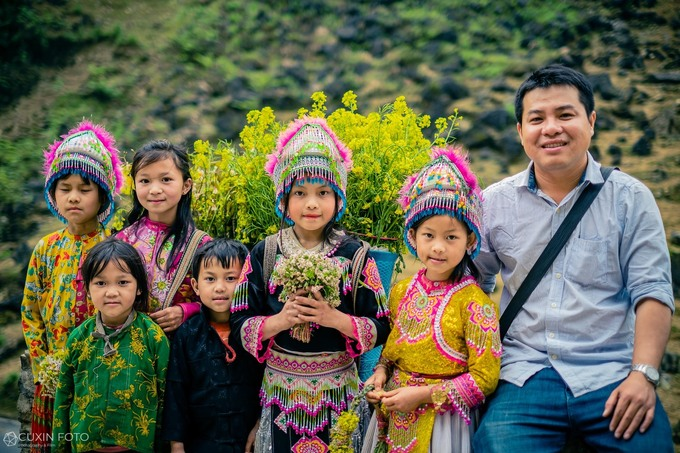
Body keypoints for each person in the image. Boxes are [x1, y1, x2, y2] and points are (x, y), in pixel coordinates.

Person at [473, 64, 675, 452]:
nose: (551, 128)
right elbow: (472, 285)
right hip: (524, 374)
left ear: (591, 121)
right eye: (537, 119)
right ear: (520, 132)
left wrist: (643, 375)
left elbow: (652, 291)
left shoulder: (631, 198)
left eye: (565, 114)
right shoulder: (494, 202)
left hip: (611, 372)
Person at [230, 117, 391, 452]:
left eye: (323, 192)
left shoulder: (356, 256)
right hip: (280, 396)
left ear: (338, 198)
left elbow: (381, 325)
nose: (312, 204)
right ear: (284, 200)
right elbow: (238, 322)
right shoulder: (265, 252)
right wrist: (280, 321)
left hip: (339, 395)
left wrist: (334, 319)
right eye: (299, 193)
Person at [361, 145, 501, 453]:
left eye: (451, 237)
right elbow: (391, 351)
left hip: (444, 426)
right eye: (428, 235)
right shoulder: (401, 290)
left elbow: (484, 380)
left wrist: (424, 395)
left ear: (470, 241)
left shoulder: (476, 305)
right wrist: (380, 374)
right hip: (395, 414)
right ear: (412, 237)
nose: (438, 247)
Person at [21, 120, 122, 451]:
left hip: (101, 376)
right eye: (65, 188)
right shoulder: (46, 249)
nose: (74, 197)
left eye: (85, 188)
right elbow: (30, 311)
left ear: (102, 194)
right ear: (53, 194)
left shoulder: (115, 249)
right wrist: (44, 368)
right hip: (53, 378)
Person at [52, 239, 170, 452]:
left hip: (137, 447)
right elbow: (63, 398)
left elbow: (165, 398)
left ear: (140, 288)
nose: (112, 292)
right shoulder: (79, 339)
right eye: (101, 283)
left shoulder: (153, 338)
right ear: (88, 289)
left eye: (123, 282)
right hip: (87, 446)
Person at [162, 238, 264, 452]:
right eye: (210, 279)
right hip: (201, 443)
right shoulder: (188, 334)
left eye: (230, 278)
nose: (220, 288)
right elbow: (176, 390)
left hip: (247, 441)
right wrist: (176, 445)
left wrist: (260, 425)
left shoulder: (256, 330)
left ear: (246, 282)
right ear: (196, 286)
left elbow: (269, 384)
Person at [116, 140, 211, 334]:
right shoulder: (122, 241)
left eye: (166, 180)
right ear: (134, 186)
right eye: (145, 181)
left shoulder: (202, 245)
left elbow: (220, 297)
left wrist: (186, 311)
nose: (155, 189)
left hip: (180, 350)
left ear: (186, 186)